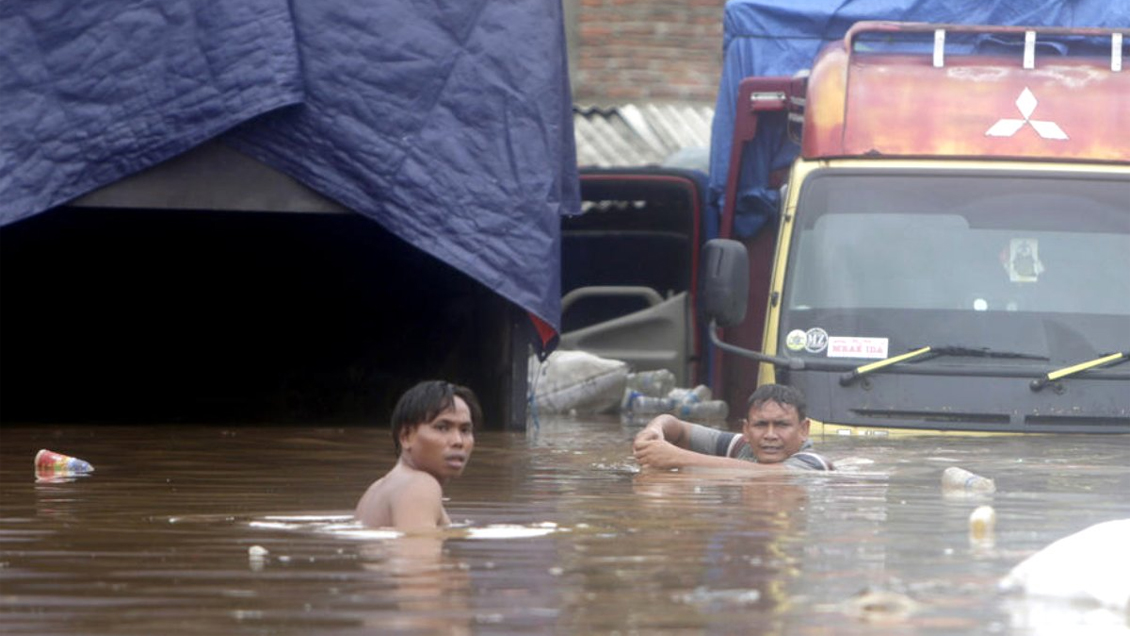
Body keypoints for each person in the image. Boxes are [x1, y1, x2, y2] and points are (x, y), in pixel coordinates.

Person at [355, 380, 482, 529]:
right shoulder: (420, 486)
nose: (458, 441)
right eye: (442, 428)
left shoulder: (376, 490)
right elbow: (418, 551)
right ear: (406, 436)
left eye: (465, 430)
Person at [632, 383, 833, 471]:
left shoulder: (813, 463)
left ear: (804, 430)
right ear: (746, 430)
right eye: (761, 425)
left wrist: (675, 457)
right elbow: (676, 427)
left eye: (782, 425)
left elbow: (774, 475)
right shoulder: (743, 447)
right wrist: (653, 432)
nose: (770, 435)